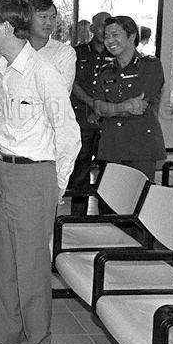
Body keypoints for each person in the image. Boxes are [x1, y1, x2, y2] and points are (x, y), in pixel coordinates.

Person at [0, 0, 80, 344]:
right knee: (3, 260)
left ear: (5, 26)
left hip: (35, 176)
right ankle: (3, 333)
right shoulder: (4, 68)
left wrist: (55, 187)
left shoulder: (43, 71)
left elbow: (69, 135)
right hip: (6, 170)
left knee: (32, 268)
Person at [91, 16, 165, 180]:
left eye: (115, 35)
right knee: (109, 203)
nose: (109, 41)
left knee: (139, 202)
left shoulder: (151, 66)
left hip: (140, 147)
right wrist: (123, 106)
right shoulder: (105, 71)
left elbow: (140, 107)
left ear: (131, 36)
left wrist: (110, 109)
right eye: (106, 36)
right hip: (112, 147)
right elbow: (98, 108)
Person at [67, 11, 113, 215]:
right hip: (82, 116)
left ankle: (106, 215)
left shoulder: (116, 54)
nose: (104, 30)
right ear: (92, 28)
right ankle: (77, 216)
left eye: (109, 26)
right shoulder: (76, 53)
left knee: (108, 168)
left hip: (108, 120)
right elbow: (72, 82)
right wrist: (92, 103)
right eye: (100, 25)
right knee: (81, 166)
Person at [28, 0, 76, 90]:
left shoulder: (64, 52)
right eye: (43, 17)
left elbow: (60, 92)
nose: (49, 22)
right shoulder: (16, 49)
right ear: (28, 18)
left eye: (53, 17)